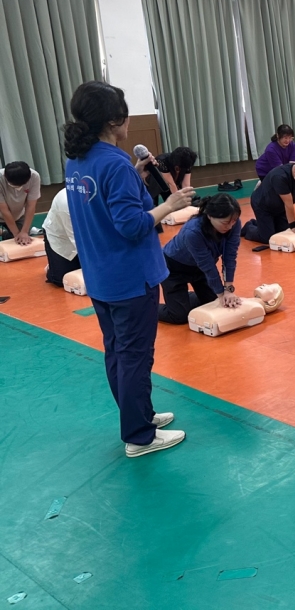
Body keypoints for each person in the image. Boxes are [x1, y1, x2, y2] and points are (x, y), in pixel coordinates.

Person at [63, 81, 195, 457]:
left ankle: (140, 415)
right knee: (136, 355)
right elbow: (132, 225)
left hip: (101, 275)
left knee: (117, 352)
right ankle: (139, 436)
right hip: (130, 276)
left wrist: (134, 176)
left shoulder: (78, 159)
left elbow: (103, 205)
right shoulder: (114, 163)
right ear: (115, 121)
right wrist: (169, 205)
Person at [159, 194, 242, 324]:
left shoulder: (233, 222)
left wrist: (228, 289)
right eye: (225, 223)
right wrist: (221, 295)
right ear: (209, 216)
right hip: (173, 268)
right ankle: (147, 306)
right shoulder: (193, 232)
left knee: (211, 303)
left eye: (234, 221)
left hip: (198, 270)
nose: (230, 226)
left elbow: (230, 256)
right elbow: (207, 266)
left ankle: (183, 298)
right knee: (179, 316)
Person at [241, 159, 295, 244]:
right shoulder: (280, 176)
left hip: (280, 206)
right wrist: (293, 225)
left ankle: (262, 224)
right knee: (267, 237)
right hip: (262, 205)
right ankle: (249, 227)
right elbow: (288, 203)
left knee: (282, 233)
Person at [42, 187, 81, 286]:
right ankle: (52, 266)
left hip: (88, 235)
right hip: (61, 237)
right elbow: (75, 238)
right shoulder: (66, 203)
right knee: (61, 279)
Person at [0, 161, 41, 245]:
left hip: (17, 214)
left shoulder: (34, 177)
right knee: (17, 237)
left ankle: (5, 233)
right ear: (5, 176)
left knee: (22, 240)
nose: (18, 188)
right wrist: (16, 234)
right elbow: (4, 210)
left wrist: (24, 232)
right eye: (14, 185)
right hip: (2, 211)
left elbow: (31, 206)